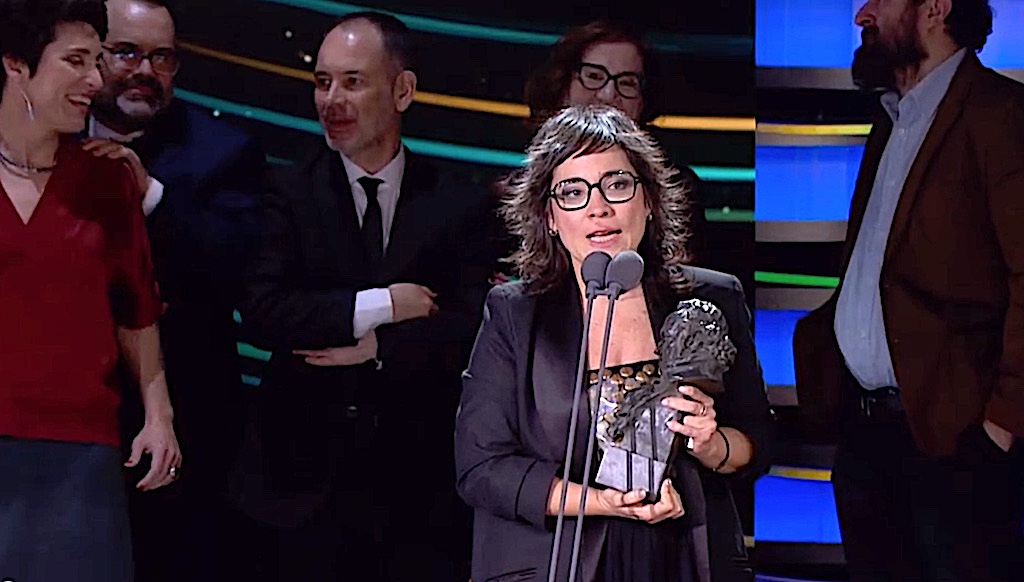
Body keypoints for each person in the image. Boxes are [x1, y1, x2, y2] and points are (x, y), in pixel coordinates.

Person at [228, 11, 500, 582]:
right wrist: (384, 305)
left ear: (403, 91)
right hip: (295, 487)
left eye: (352, 82)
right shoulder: (286, 190)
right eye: (322, 82)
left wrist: (378, 347)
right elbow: (263, 310)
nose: (332, 101)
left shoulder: (458, 203)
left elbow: (472, 326)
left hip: (415, 491)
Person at [454, 105, 773, 582]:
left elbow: (757, 443)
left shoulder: (713, 297)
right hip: (556, 561)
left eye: (617, 185)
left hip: (684, 559)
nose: (598, 207)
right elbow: (481, 467)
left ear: (649, 200)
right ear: (550, 217)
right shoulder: (515, 313)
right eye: (573, 192)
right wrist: (605, 503)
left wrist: (711, 444)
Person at [792, 0, 1024, 579]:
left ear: (935, 8)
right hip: (868, 437)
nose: (862, 15)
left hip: (956, 448)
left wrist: (999, 427)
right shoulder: (892, 119)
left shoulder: (1001, 113)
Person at [81, 1, 267, 580]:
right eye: (126, 52)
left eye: (162, 58)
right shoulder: (42, 132)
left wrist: (149, 193)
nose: (145, 70)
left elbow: (237, 267)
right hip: (57, 411)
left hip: (184, 419)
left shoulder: (222, 150)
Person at [0, 1, 180, 580]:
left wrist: (158, 416)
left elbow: (137, 309)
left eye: (96, 62)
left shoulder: (106, 179)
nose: (95, 81)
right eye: (75, 61)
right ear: (16, 65)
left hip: (79, 450)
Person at [524, 20, 708, 265]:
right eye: (594, 76)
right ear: (562, 85)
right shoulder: (510, 194)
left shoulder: (679, 190)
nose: (608, 95)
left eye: (627, 82)